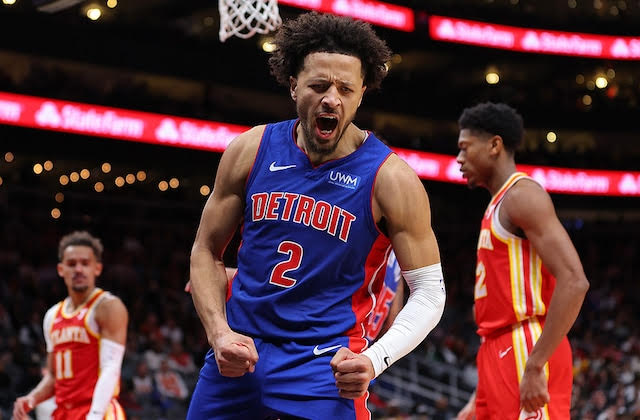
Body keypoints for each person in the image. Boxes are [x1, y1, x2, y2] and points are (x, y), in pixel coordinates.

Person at [186, 11, 446, 419]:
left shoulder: (391, 179)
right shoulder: (250, 149)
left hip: (324, 366)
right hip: (241, 353)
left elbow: (430, 291)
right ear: (293, 85)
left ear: (361, 94)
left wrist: (375, 360)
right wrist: (219, 333)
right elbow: (205, 250)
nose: (331, 99)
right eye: (319, 85)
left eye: (345, 88)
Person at [454, 102, 589, 419]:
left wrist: (535, 363)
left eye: (465, 147)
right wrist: (480, 393)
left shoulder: (522, 195)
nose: (459, 158)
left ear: (495, 145)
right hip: (496, 348)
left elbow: (574, 281)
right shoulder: (496, 204)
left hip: (524, 344)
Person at [13, 231, 129, 420]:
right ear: (61, 269)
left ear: (97, 268)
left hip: (98, 411)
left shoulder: (108, 306)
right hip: (64, 413)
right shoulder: (52, 316)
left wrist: (95, 415)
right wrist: (31, 399)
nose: (78, 269)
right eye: (72, 264)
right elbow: (53, 376)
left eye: (85, 263)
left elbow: (111, 368)